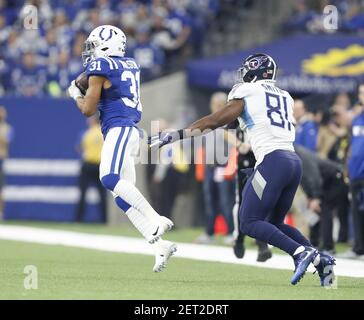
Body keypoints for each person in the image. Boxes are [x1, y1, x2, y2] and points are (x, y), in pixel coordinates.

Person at [149, 53, 335, 286]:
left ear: (254, 71)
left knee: (248, 221)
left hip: (272, 162)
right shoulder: (285, 96)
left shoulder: (248, 91)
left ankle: (300, 253)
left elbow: (215, 121)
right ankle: (322, 262)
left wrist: (175, 135)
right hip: (291, 161)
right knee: (275, 222)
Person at [68, 25, 176, 273]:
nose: (90, 52)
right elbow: (107, 88)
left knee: (108, 178)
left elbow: (88, 110)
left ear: (106, 46)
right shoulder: (129, 64)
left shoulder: (101, 66)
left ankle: (155, 219)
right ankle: (160, 246)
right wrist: (83, 83)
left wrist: (75, 93)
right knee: (121, 196)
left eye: (93, 46)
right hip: (129, 130)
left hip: (119, 129)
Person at [75, 116, 107, 222]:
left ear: (92, 121)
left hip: (88, 165)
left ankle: (79, 218)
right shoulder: (104, 134)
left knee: (83, 193)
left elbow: (79, 148)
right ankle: (104, 219)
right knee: (102, 195)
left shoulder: (86, 133)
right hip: (100, 166)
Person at [0, 106, 12, 219]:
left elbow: (7, 140)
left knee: (1, 188)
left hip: (1, 159)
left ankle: (1, 212)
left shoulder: (7, 128)